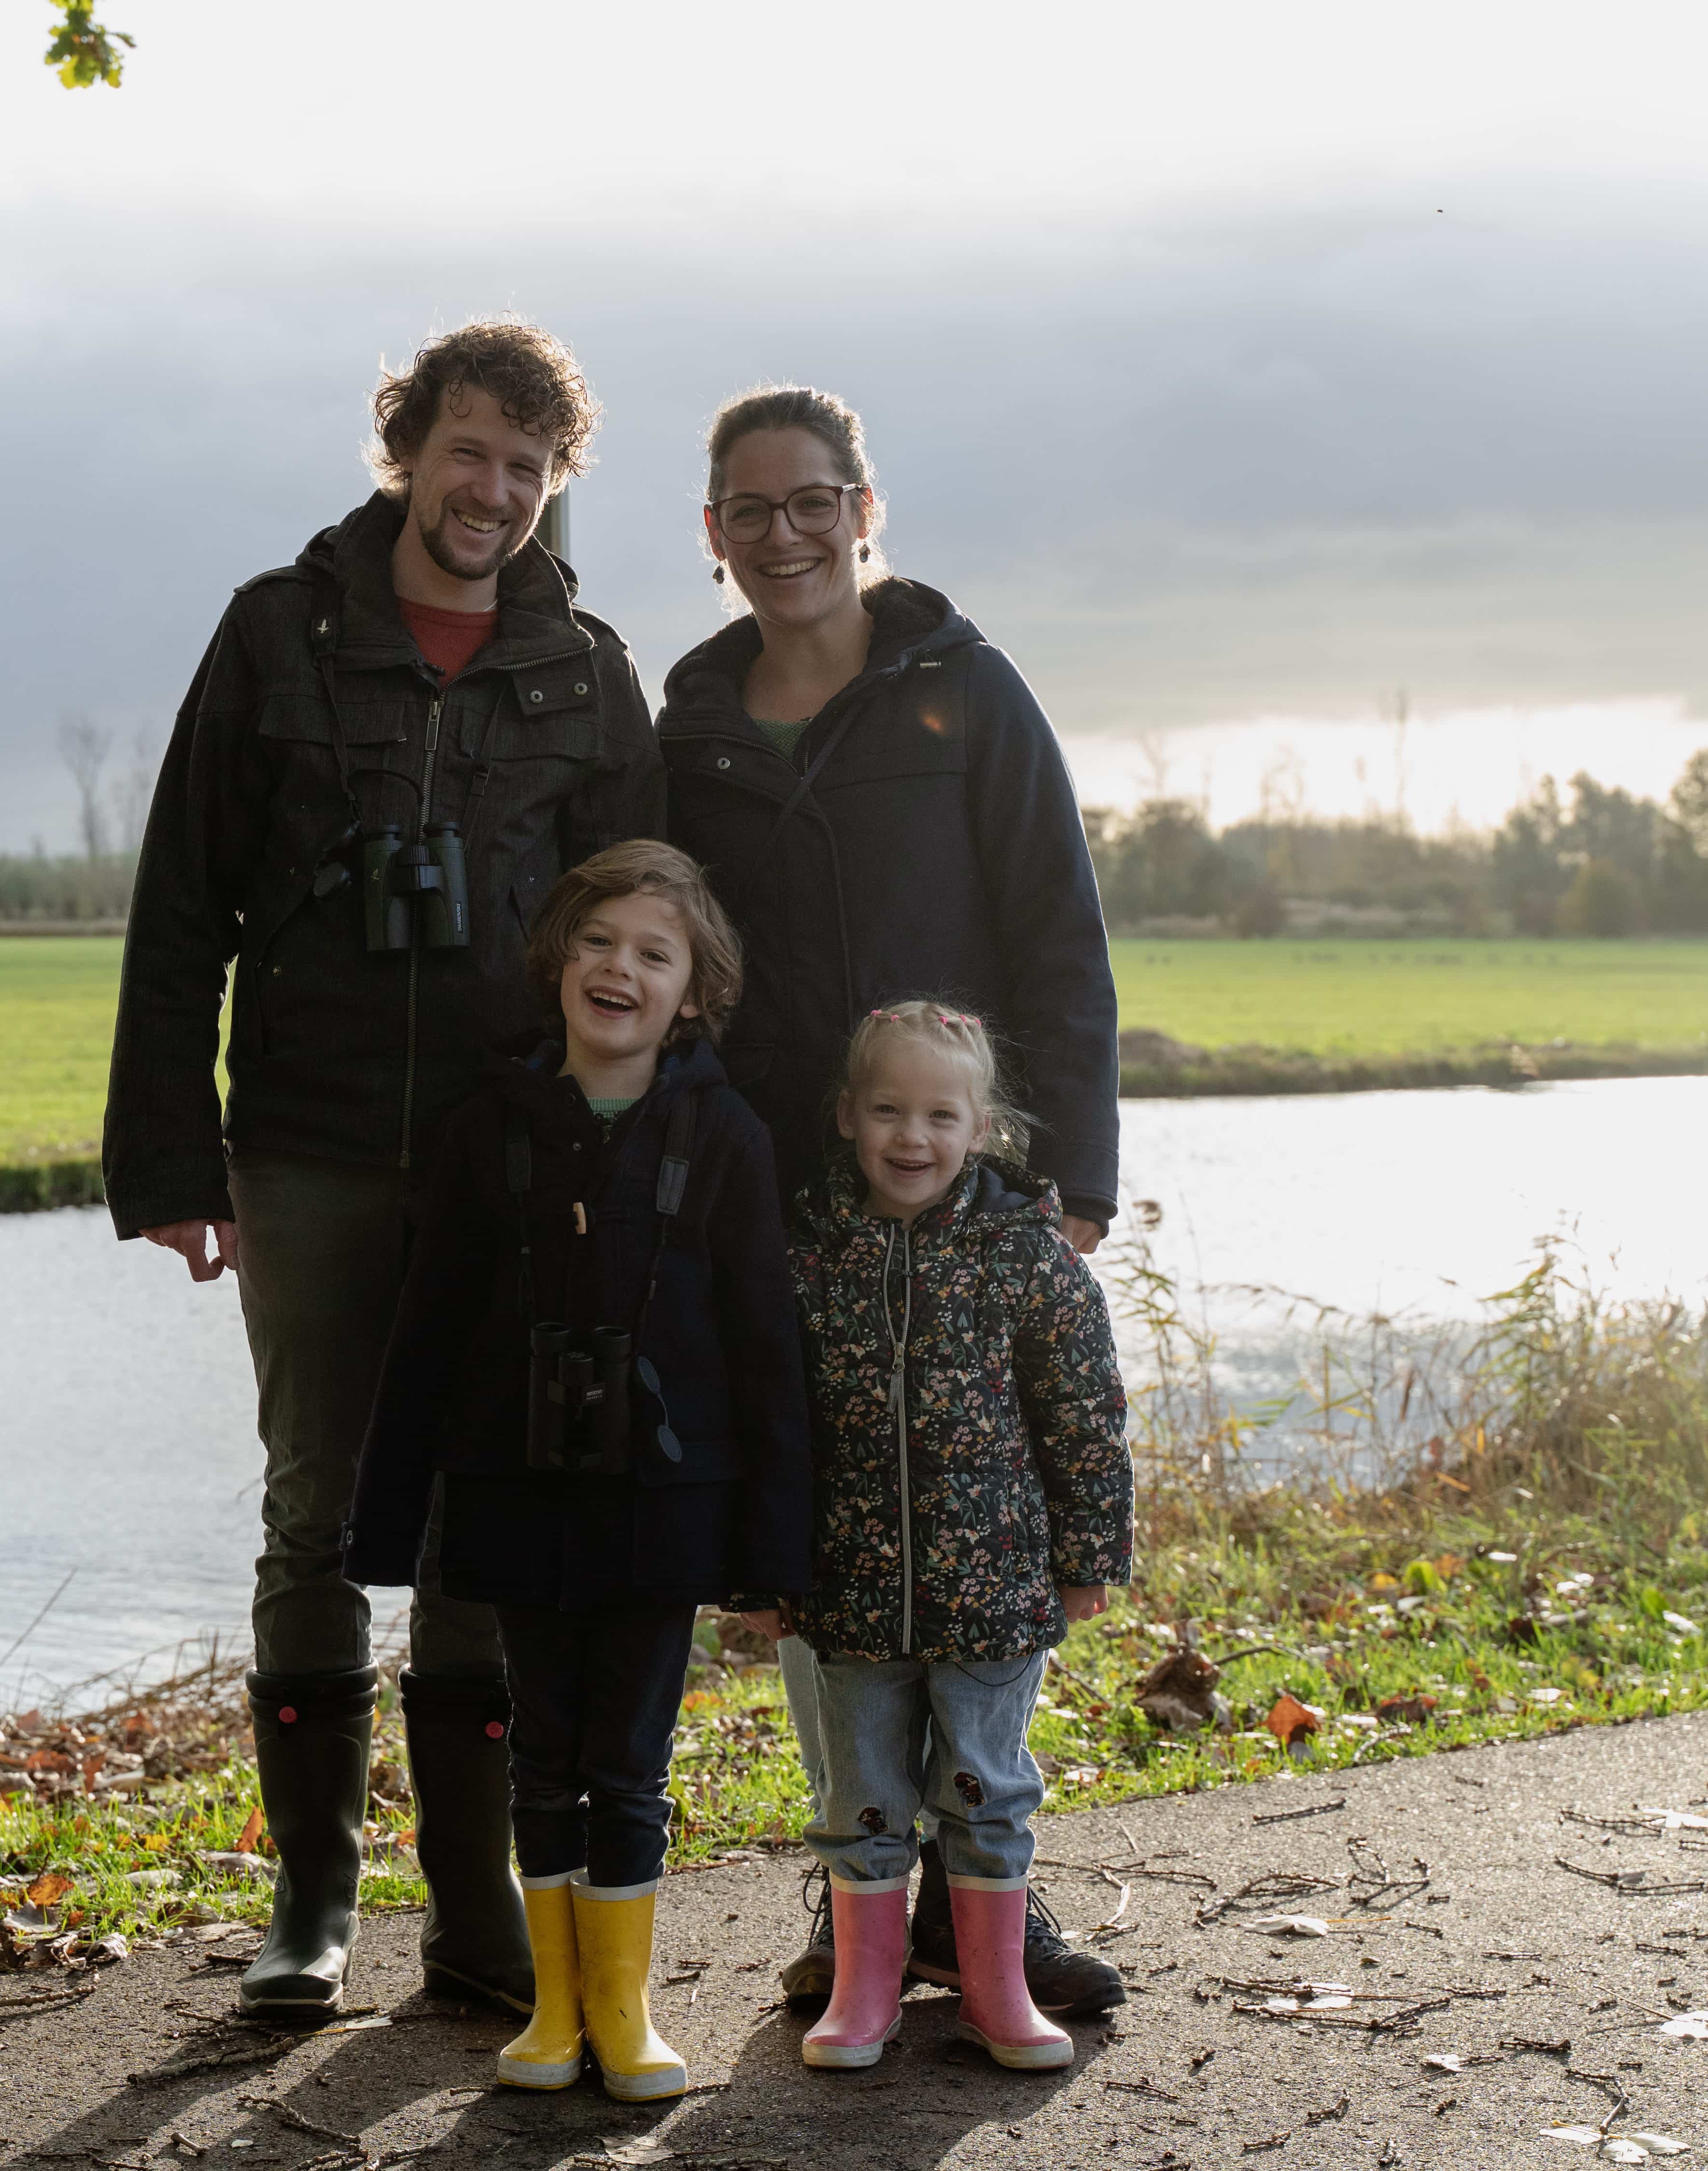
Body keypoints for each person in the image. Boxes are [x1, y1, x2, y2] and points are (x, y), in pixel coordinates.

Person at [104, 320, 662, 2019]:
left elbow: (641, 932)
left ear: (552, 485)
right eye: (468, 450)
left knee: (480, 1511)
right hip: (308, 1143)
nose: (492, 490)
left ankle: (476, 1904)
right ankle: (311, 1901)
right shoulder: (277, 634)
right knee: (318, 1510)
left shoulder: (588, 673)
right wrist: (172, 1158)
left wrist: (623, 1157)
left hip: (508, 1162)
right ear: (407, 450)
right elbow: (183, 906)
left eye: (527, 466)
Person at [658, 385, 1124, 2015]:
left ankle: (988, 1895)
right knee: (827, 1531)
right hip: (785, 1195)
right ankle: (863, 1884)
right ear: (713, 534)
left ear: (863, 510)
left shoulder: (968, 694)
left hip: (963, 1177)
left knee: (982, 1527)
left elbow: (1060, 932)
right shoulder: (690, 728)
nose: (784, 533)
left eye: (814, 501)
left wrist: (1071, 1177)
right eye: (750, 508)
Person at [342, 840, 812, 2102]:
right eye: (598, 941)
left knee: (632, 1765)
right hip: (515, 1500)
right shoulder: (486, 1130)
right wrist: (387, 1528)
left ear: (695, 994)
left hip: (665, 1510)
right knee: (543, 1757)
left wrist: (773, 1556)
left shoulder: (726, 1136)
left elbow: (766, 1352)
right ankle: (556, 2012)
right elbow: (426, 1333)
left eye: (655, 954)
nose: (621, 969)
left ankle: (625, 2008)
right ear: (557, 961)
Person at [757, 1001, 1132, 2072]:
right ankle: (865, 1988)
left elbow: (1084, 1412)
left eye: (938, 1115)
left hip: (995, 1588)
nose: (910, 1137)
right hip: (849, 1591)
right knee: (862, 1795)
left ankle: (995, 1987)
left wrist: (1089, 1555)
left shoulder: (1026, 1255)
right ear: (846, 1115)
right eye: (887, 1110)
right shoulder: (806, 1254)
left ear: (981, 1128)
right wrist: (761, 1567)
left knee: (987, 1787)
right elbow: (769, 1424)